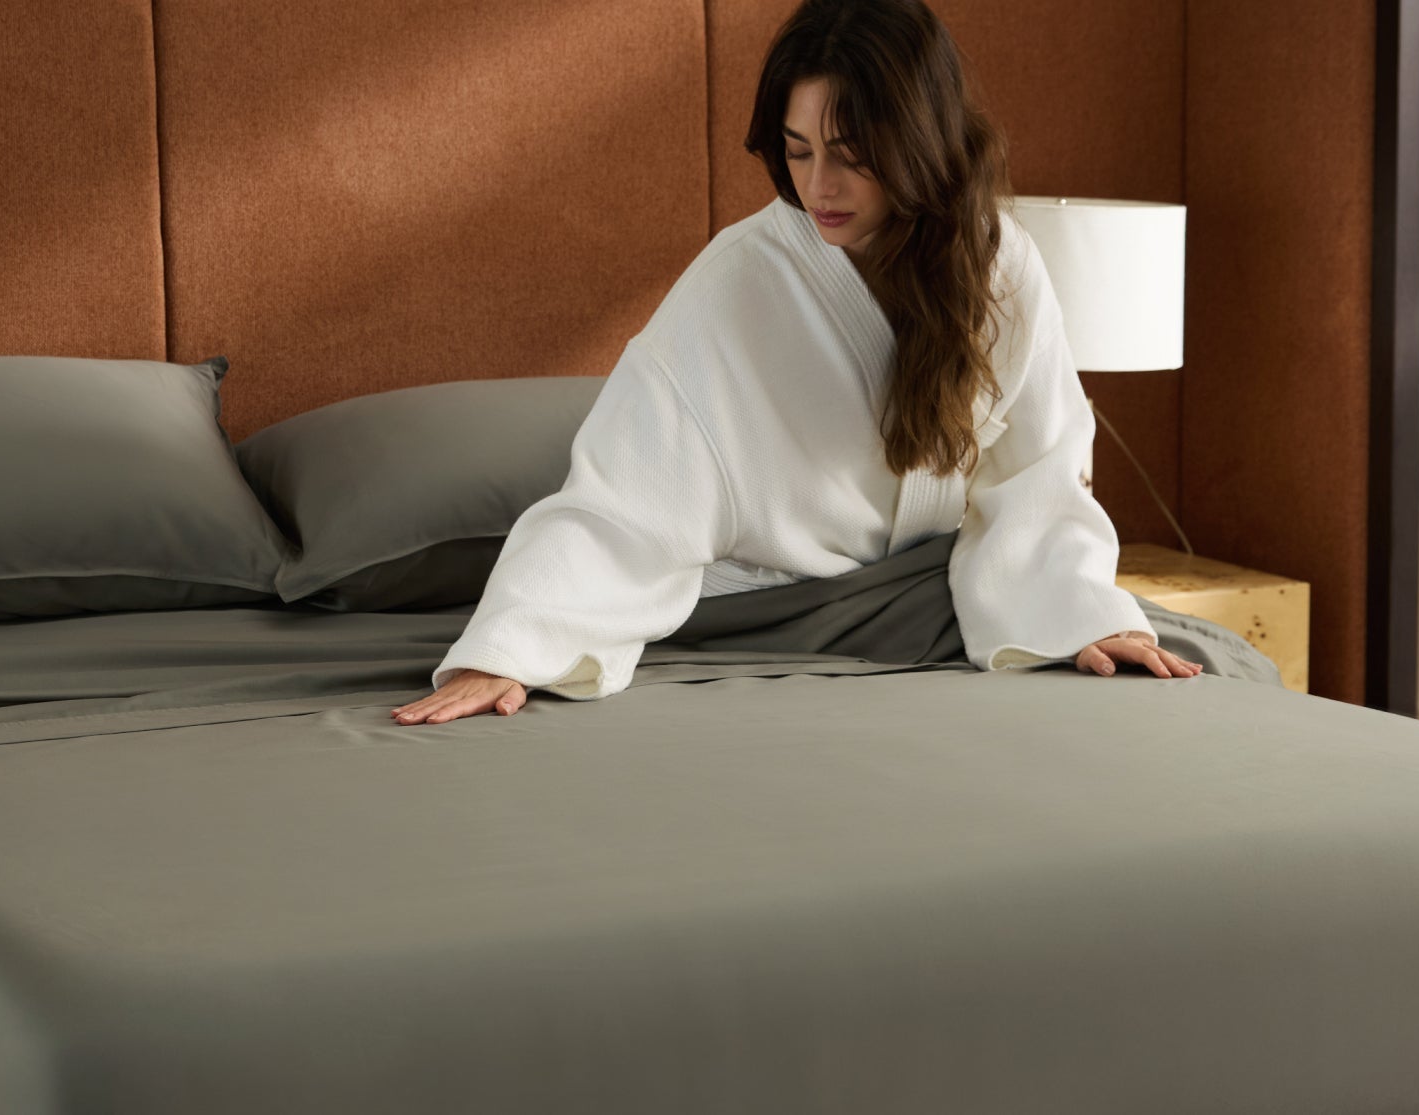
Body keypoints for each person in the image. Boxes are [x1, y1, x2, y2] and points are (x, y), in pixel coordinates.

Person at [392, 0, 1202, 727]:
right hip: (765, 614)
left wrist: (1086, 614)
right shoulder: (737, 282)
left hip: (930, 604)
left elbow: (1040, 476)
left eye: (851, 153)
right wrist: (512, 646)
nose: (819, 185)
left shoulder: (1002, 265)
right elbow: (626, 495)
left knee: (1195, 652)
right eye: (798, 150)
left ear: (917, 142)